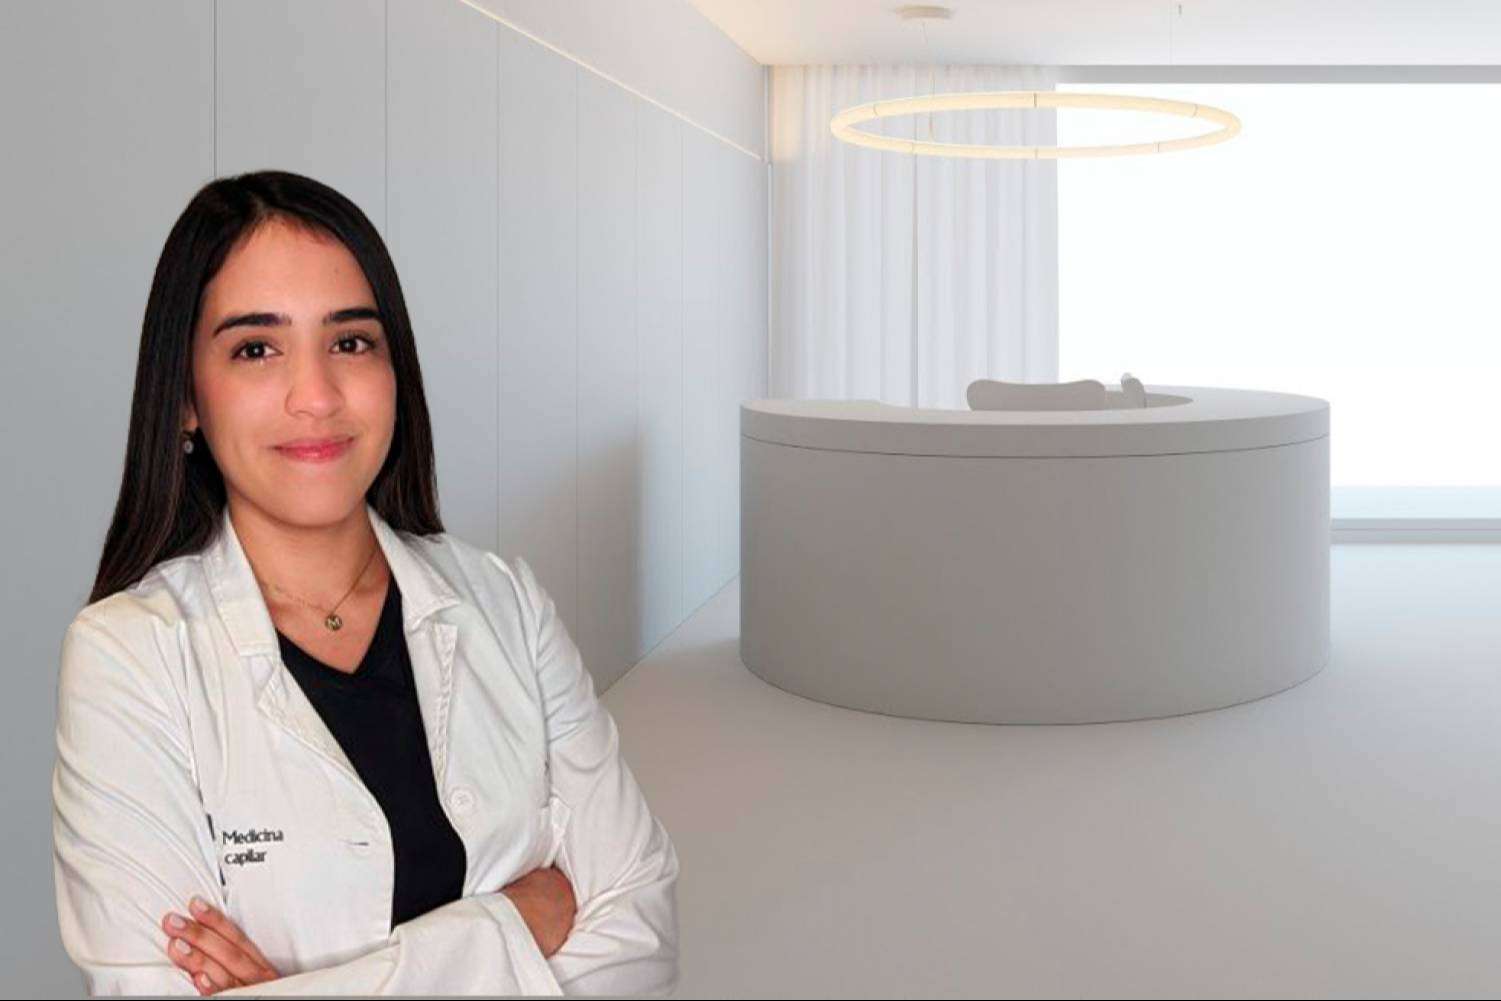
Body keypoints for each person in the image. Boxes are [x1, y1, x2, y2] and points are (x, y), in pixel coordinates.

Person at [50, 170, 680, 996]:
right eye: (255, 348)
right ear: (185, 400)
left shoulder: (505, 600)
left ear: (394, 371)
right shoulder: (126, 656)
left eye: (350, 342)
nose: (316, 396)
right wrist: (517, 922)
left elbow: (641, 933)